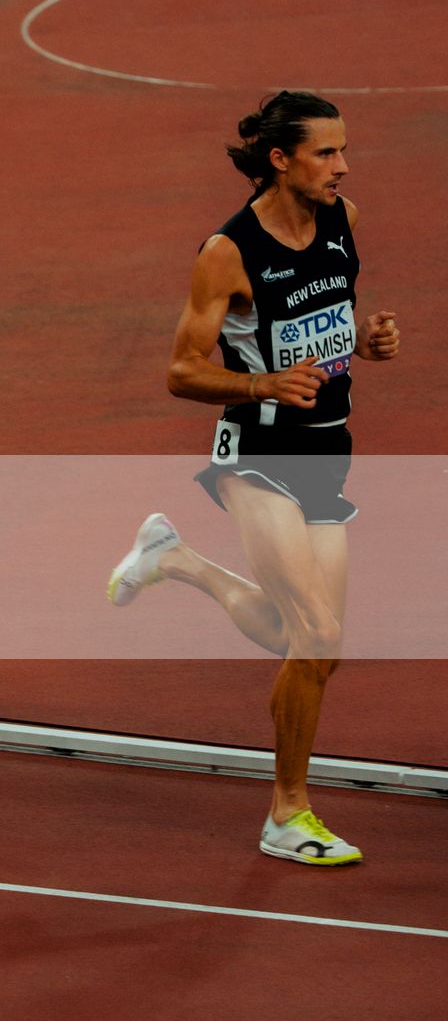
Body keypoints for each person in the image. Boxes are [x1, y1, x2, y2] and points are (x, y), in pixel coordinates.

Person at [108, 90, 399, 863]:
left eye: (343, 150)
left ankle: (173, 560)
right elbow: (181, 370)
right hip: (259, 453)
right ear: (281, 159)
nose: (343, 165)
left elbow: (323, 326)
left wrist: (363, 345)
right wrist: (262, 385)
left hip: (328, 449)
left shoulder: (344, 221)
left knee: (306, 643)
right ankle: (287, 813)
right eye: (326, 153)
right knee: (316, 635)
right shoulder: (228, 251)